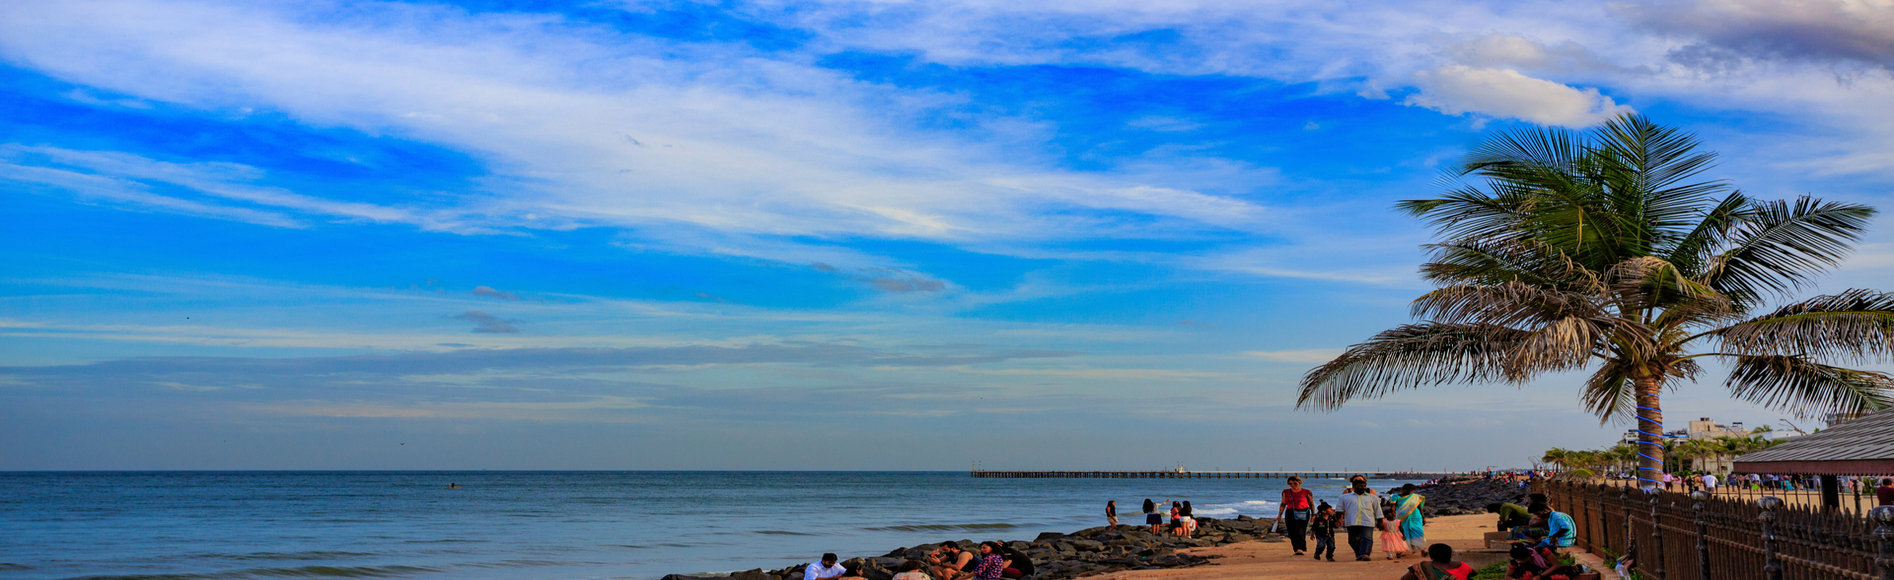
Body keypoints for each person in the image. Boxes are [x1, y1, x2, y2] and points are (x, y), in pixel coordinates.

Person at [1336, 475, 1382, 561]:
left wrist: (1380, 521)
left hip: (1368, 521)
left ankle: (1365, 554)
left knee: (1367, 538)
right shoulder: (1345, 497)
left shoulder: (1372, 497)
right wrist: (1338, 520)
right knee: (1352, 540)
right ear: (1353, 486)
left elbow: (1378, 510)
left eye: (1364, 486)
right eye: (1360, 486)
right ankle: (1359, 553)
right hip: (1351, 521)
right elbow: (1339, 509)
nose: (1363, 487)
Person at [1277, 476, 1315, 556]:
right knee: (1291, 532)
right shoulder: (1285, 492)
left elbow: (1311, 504)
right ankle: (1296, 548)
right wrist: (1279, 514)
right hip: (1290, 512)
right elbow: (1283, 503)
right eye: (1290, 484)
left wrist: (1313, 515)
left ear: (1299, 483)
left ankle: (1300, 549)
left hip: (1303, 512)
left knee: (1301, 531)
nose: (1293, 485)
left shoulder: (1307, 492)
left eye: (1295, 483)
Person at [1399, 544, 1475, 580]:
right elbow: (1474, 574)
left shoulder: (1423, 566)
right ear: (1451, 554)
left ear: (1431, 556)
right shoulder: (1462, 565)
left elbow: (1404, 579)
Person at [1392, 483, 1426, 550]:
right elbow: (1392, 507)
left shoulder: (1416, 497)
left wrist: (1423, 517)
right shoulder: (1395, 496)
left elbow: (1419, 507)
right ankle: (1403, 549)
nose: (1410, 492)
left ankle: (1421, 548)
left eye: (1412, 491)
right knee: (1403, 532)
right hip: (1402, 517)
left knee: (1418, 531)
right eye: (1408, 491)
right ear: (1403, 489)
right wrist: (1392, 516)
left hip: (1415, 516)